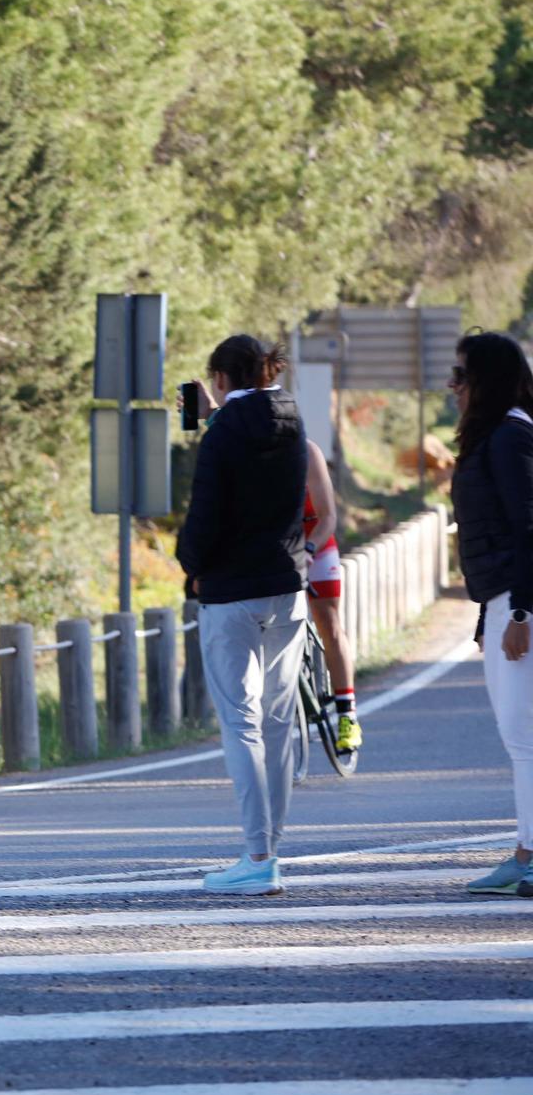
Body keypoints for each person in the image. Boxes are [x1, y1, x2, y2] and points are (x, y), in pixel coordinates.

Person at [177, 335, 308, 896]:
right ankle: (271, 849)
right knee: (278, 726)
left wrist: (191, 563)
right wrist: (218, 418)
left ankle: (256, 857)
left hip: (231, 593)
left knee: (241, 725)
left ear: (221, 379)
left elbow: (206, 512)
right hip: (287, 586)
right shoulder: (292, 418)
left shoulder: (225, 432)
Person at [445, 331, 533, 898]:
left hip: (522, 603)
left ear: (488, 382)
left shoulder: (509, 437)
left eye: (461, 376)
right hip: (504, 599)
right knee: (520, 735)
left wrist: (520, 611)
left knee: (523, 736)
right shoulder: (502, 435)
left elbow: (528, 528)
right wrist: (489, 613)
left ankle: (527, 857)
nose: (452, 387)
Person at [303, 440, 364, 753]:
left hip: (315, 538)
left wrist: (310, 549)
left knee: (328, 622)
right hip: (278, 544)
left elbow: (328, 518)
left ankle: (347, 713)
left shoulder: (307, 452)